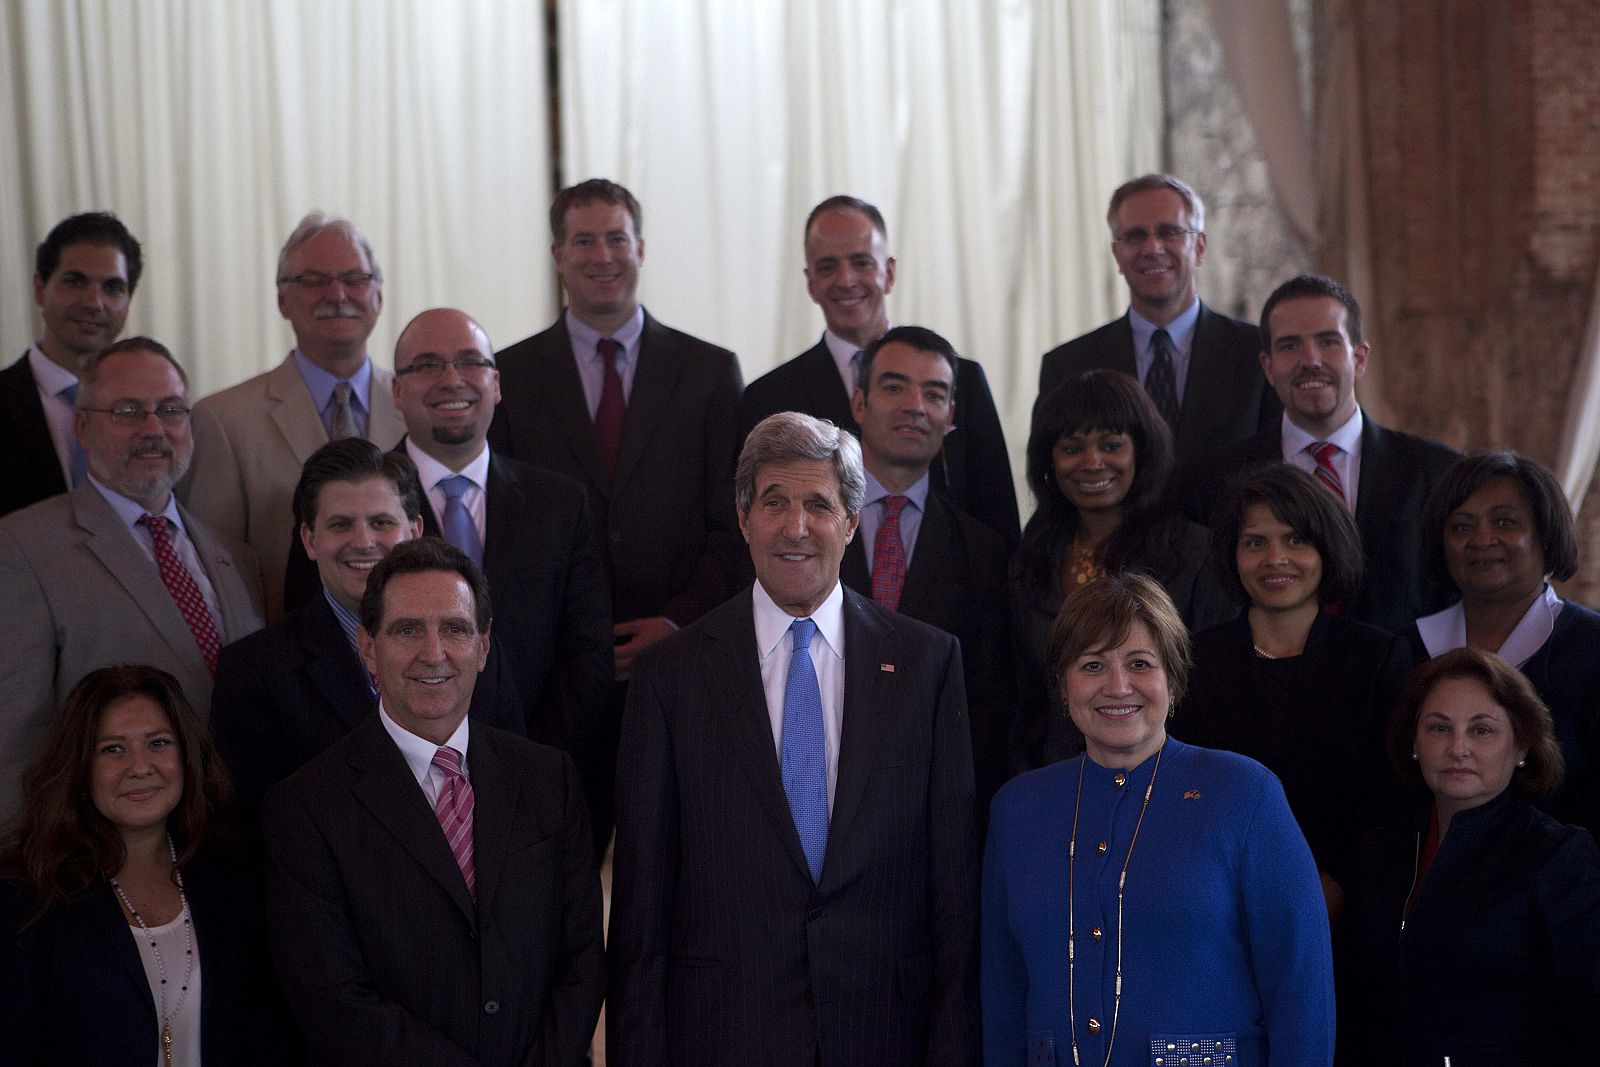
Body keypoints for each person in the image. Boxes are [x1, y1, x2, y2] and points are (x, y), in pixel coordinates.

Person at [609, 412, 979, 1065]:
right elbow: (642, 909)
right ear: (744, 517)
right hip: (722, 1035)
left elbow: (952, 887)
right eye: (774, 502)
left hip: (884, 1032)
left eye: (818, 504)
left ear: (852, 521)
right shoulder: (672, 674)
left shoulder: (927, 665)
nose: (796, 527)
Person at [263, 537, 604, 1064]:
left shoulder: (547, 777)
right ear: (368, 648)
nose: (434, 653)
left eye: (455, 629)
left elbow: (581, 958)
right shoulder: (306, 809)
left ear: (484, 646)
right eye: (406, 630)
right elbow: (335, 1002)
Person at [983, 573, 1335, 1066]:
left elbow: (1302, 986)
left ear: (1173, 678)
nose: (1117, 686)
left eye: (1140, 663)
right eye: (1092, 665)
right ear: (1063, 687)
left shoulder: (1245, 794)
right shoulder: (1016, 810)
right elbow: (1001, 997)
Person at [488, 178, 744, 848]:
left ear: (641, 247)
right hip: (554, 687)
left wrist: (677, 623)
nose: (602, 255)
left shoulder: (711, 372)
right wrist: (575, 643)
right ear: (556, 253)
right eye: (584, 240)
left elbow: (735, 525)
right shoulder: (505, 376)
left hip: (682, 670)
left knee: (682, 873)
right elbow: (505, 537)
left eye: (616, 238)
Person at [0, 338, 264, 824]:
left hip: (234, 843)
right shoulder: (22, 547)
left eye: (170, 410)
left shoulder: (234, 555)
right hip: (97, 854)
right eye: (127, 411)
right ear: (82, 425)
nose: (153, 430)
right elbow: (14, 742)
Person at [210, 437, 527, 831]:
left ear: (414, 529)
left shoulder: (470, 646)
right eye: (341, 524)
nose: (363, 542)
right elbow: (253, 829)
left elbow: (512, 786)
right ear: (310, 540)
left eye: (381, 522)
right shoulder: (253, 670)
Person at [0, 664, 291, 1064]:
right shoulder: (26, 894)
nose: (140, 767)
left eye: (158, 743)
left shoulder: (235, 879)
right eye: (112, 749)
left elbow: (268, 1037)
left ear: (187, 757)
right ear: (80, 768)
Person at [1337, 647, 1600, 1063]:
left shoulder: (1559, 858)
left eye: (1482, 731)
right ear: (1414, 744)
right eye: (1439, 729)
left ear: (1522, 747)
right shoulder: (1378, 853)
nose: (1458, 748)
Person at [1174, 464, 1412, 910]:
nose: (1275, 558)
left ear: (1327, 548)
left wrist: (1332, 887)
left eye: (1296, 540)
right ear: (1233, 554)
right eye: (1255, 543)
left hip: (1348, 907)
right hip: (1215, 897)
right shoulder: (1193, 660)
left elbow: (1390, 798)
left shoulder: (1377, 658)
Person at [738, 194, 1020, 546]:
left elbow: (998, 517)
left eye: (861, 262)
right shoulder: (770, 396)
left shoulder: (962, 381)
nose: (846, 280)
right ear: (810, 281)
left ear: (889, 272)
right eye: (828, 267)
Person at [1191, 273, 1459, 635]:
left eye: (1328, 342)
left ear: (1360, 358)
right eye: (1289, 346)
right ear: (1268, 368)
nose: (1310, 360)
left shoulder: (1437, 473)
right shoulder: (1215, 481)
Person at [184, 212, 406, 622]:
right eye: (314, 280)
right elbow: (215, 576)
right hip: (279, 658)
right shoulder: (222, 421)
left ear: (378, 296)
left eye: (355, 279)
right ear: (283, 300)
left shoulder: (414, 407)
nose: (337, 293)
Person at [1013, 368, 1232, 770]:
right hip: (1054, 779)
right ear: (1049, 460)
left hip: (1170, 779)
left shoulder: (1196, 553)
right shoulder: (1030, 556)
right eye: (1072, 448)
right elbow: (1019, 695)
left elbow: (1212, 692)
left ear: (1141, 452)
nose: (1092, 463)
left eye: (1112, 445)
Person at [839, 325, 1014, 826]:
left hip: (935, 807)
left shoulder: (983, 553)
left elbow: (988, 704)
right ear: (859, 404)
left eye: (934, 393)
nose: (915, 405)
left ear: (952, 417)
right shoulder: (808, 530)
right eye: (894, 387)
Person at [1409, 450, 1600, 835]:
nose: (1482, 539)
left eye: (1504, 522)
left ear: (1545, 535)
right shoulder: (1405, 650)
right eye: (1462, 527)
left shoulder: (1592, 648)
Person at [1035, 174, 1277, 471]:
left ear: (1200, 247)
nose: (1152, 248)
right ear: (1117, 254)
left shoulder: (1257, 355)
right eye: (1135, 236)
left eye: (1169, 232)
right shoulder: (1068, 367)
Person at [2, 212, 142, 518]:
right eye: (75, 281)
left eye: (113, 287)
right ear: (41, 289)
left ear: (129, 300)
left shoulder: (153, 410)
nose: (94, 303)